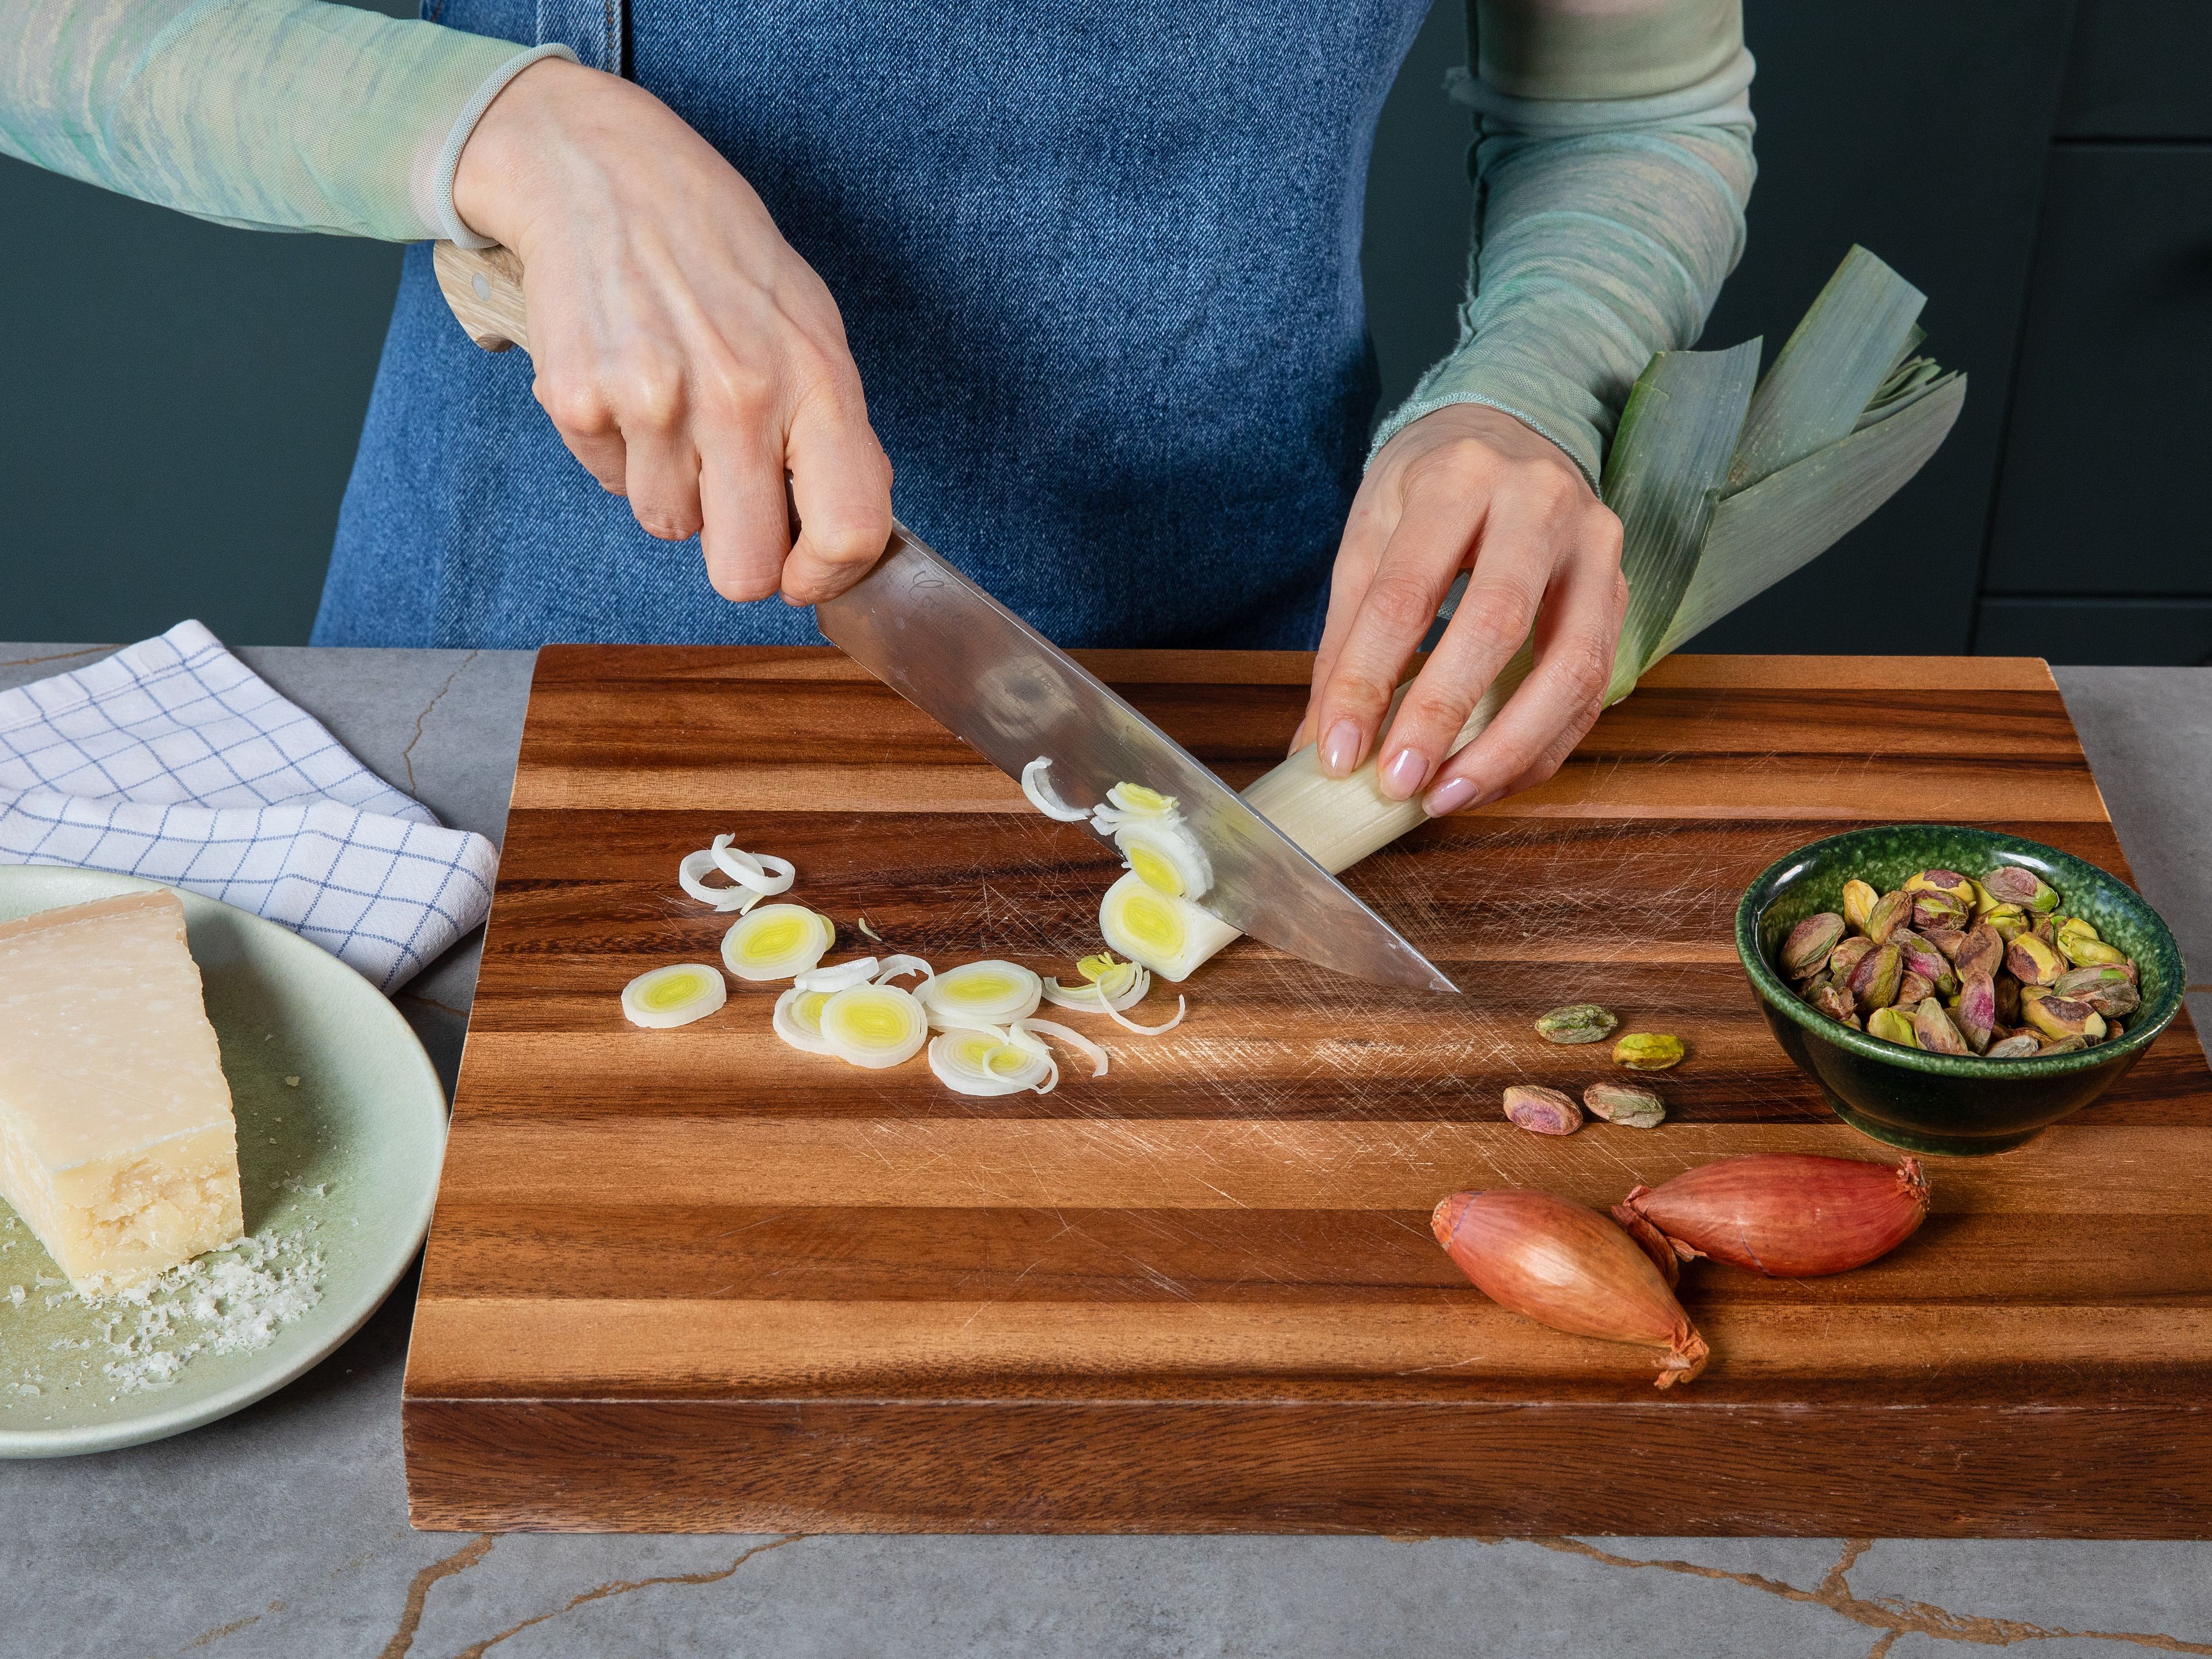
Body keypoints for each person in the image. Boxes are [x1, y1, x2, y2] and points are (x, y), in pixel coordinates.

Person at [2, 1, 1752, 819]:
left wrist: (1530, 388)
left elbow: (1638, 112)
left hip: (1254, 694)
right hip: (520, 698)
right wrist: (512, 130)